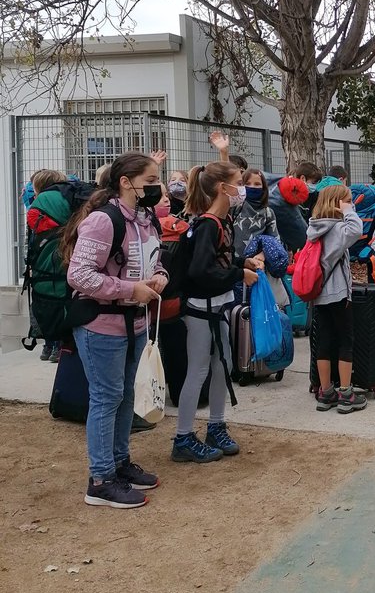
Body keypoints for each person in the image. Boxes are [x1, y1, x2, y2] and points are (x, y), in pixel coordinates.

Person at [60, 152, 167, 508]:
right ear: (126, 182)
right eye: (150, 180)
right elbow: (79, 274)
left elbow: (157, 259)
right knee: (107, 398)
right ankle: (101, 479)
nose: (156, 186)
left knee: (123, 395)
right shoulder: (103, 222)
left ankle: (119, 464)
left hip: (134, 321)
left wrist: (159, 278)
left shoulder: (147, 218)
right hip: (101, 325)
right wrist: (128, 289)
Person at [175, 161, 265, 463]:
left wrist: (241, 264)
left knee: (220, 367)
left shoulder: (220, 222)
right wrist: (238, 275)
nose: (243, 189)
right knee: (199, 370)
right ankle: (183, 436)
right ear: (221, 188)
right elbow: (201, 270)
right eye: (239, 182)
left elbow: (220, 260)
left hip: (218, 305)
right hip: (202, 309)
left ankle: (216, 424)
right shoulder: (208, 225)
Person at [309, 185, 368, 414]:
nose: (352, 204)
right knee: (345, 340)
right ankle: (345, 393)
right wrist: (348, 211)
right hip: (339, 293)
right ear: (337, 203)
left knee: (323, 342)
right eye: (348, 201)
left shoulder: (314, 226)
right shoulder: (337, 229)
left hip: (318, 293)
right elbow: (356, 229)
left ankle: (325, 392)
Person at [233, 168, 281, 259]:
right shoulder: (235, 207)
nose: (252, 187)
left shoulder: (268, 213)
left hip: (257, 264)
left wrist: (262, 255)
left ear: (264, 188)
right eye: (247, 184)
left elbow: (274, 241)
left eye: (257, 184)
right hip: (234, 264)